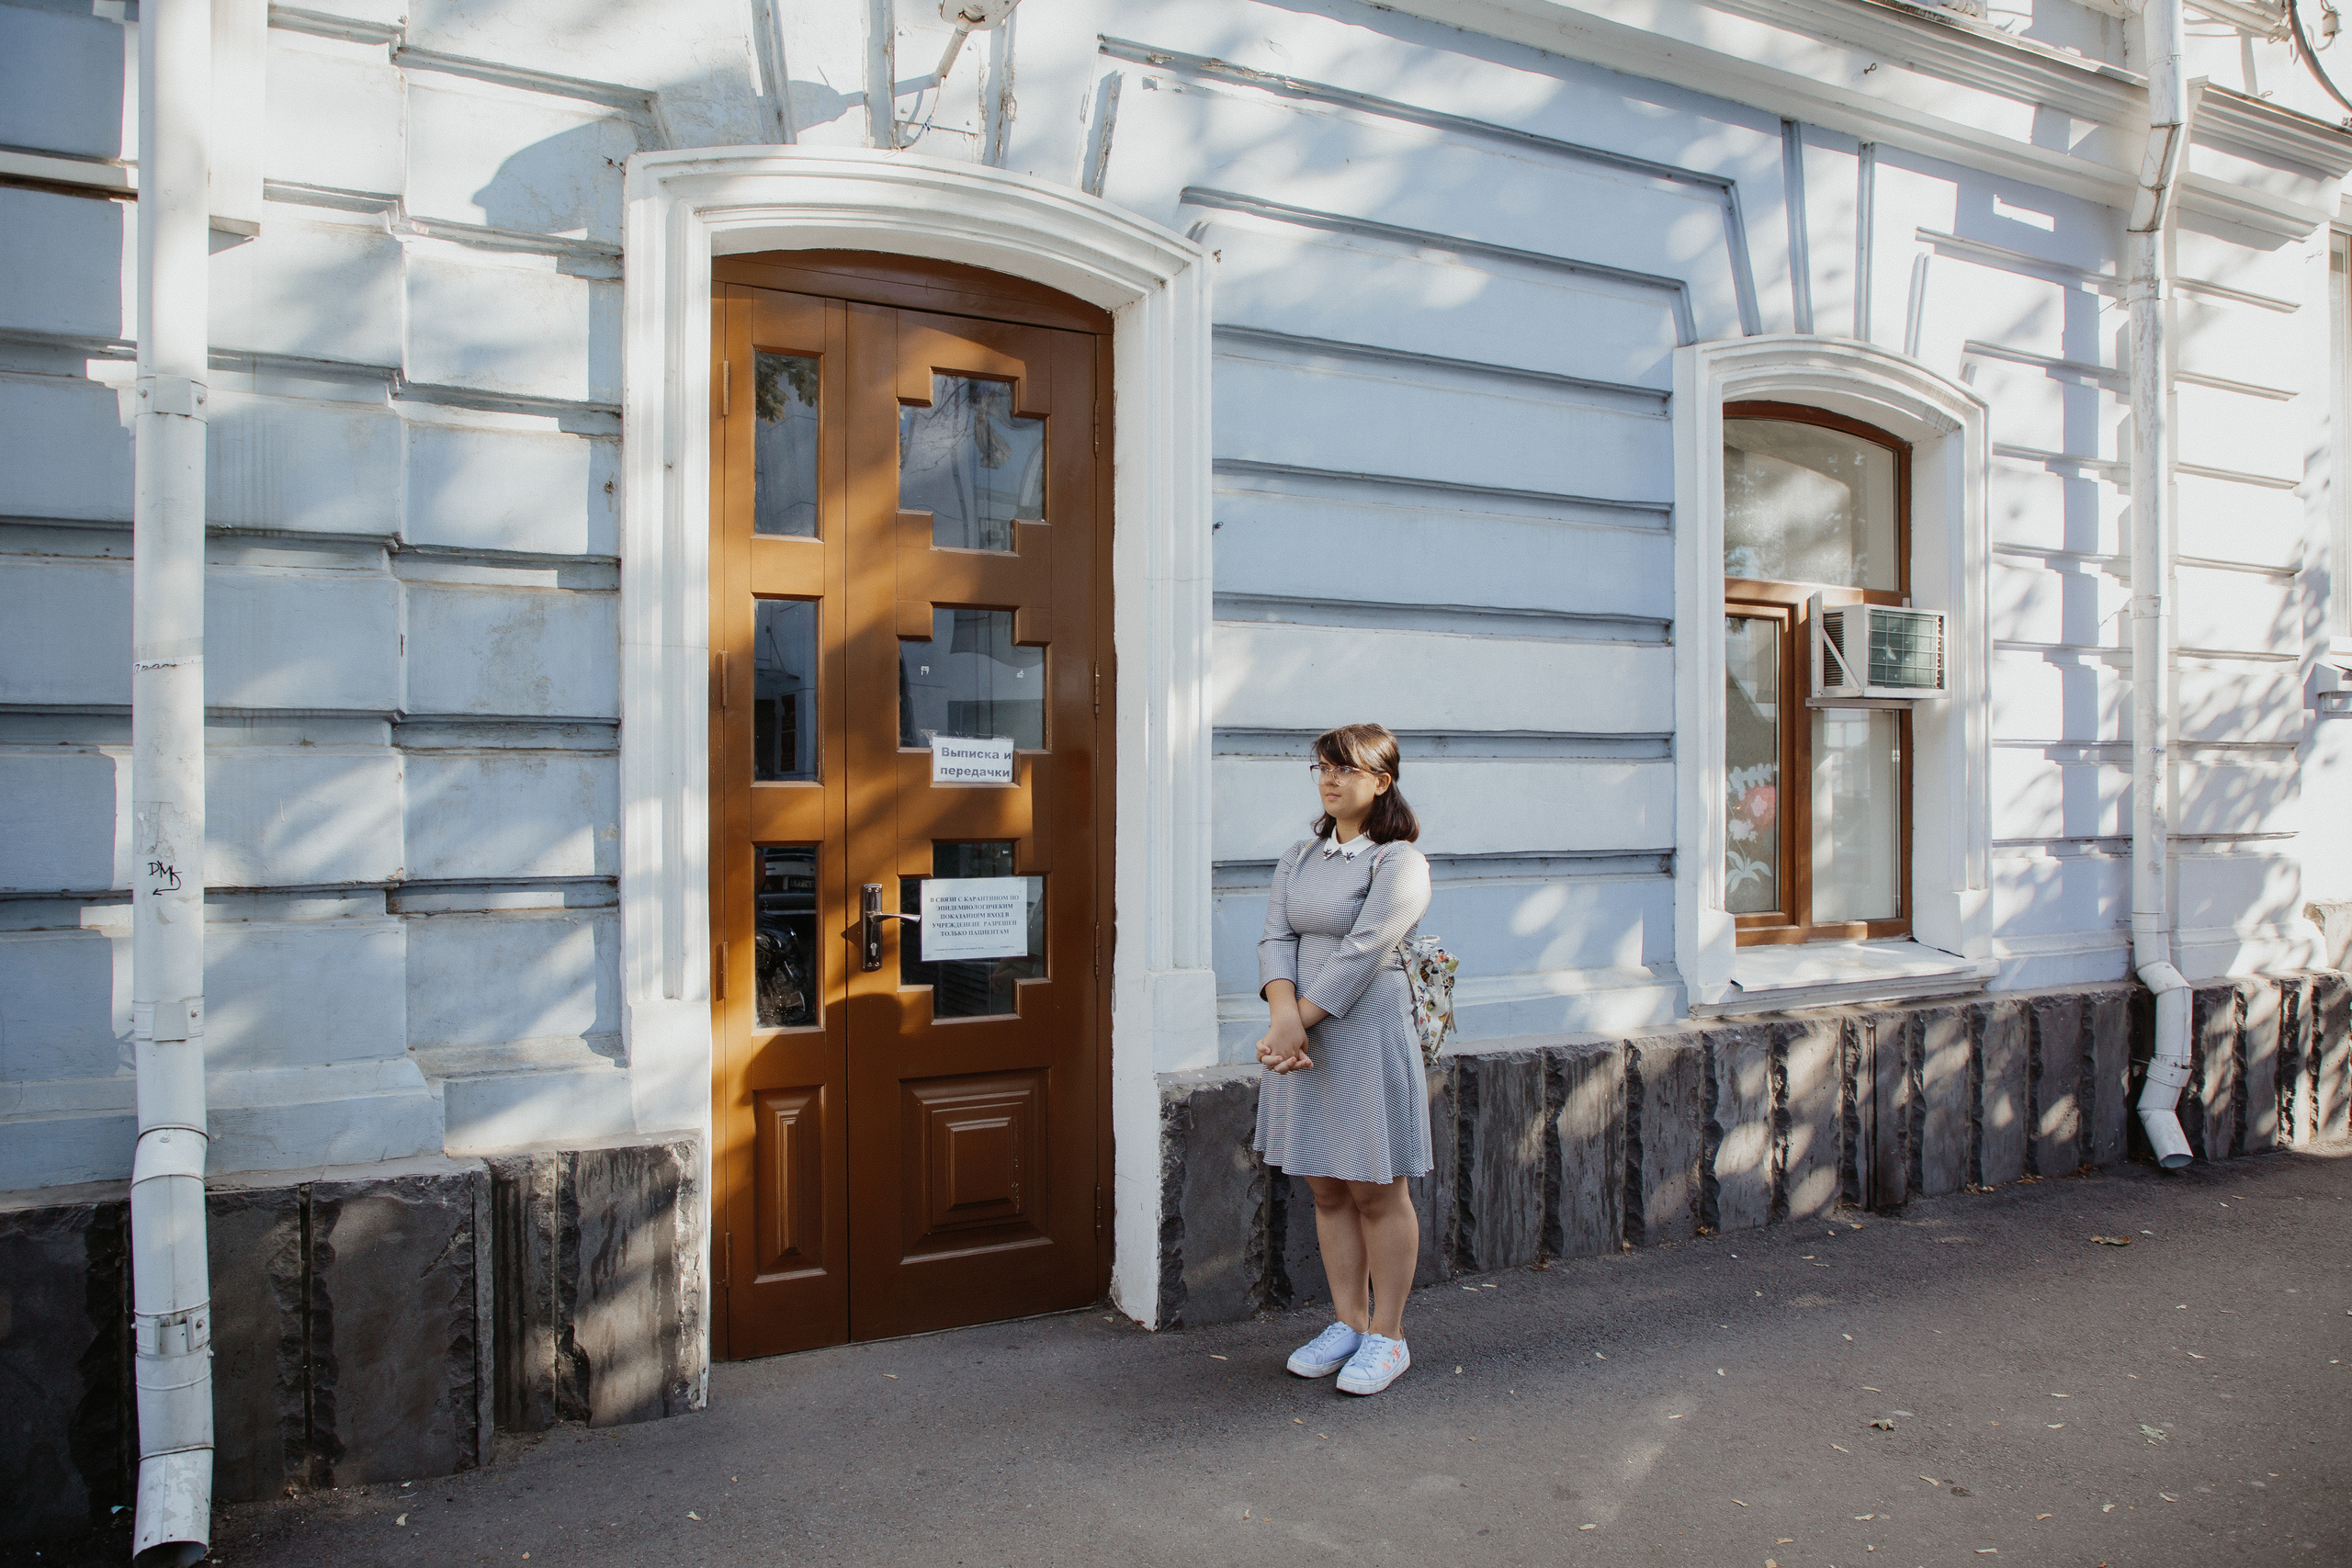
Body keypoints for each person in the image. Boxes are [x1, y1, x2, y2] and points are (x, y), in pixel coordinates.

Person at [1253, 722, 1433, 1396]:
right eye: (1321, 768)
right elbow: (1274, 938)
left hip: (1362, 1031)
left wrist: (1292, 1024)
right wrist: (1282, 1018)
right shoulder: (1300, 855)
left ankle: (1389, 1335)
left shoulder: (1398, 862)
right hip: (1301, 1036)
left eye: (1346, 769)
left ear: (1381, 781)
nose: (1330, 780)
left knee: (1376, 1187)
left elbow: (1364, 952)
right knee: (1326, 1185)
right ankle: (1349, 1322)